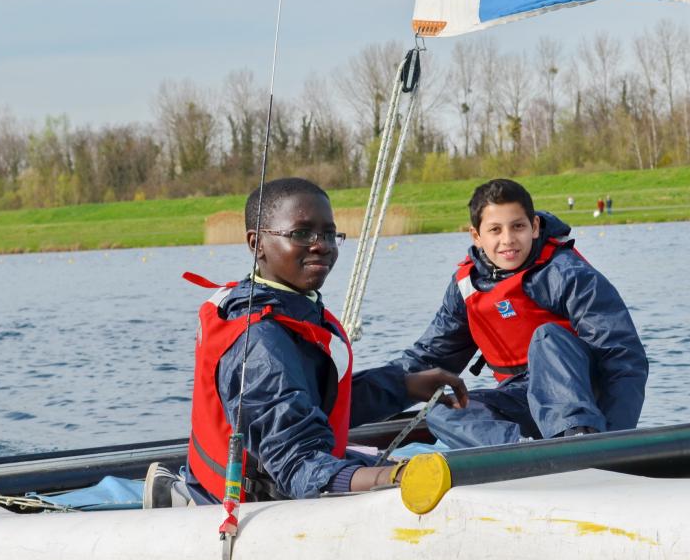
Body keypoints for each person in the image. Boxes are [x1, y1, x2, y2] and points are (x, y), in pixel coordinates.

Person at [148, 177, 466, 507]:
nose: (321, 245)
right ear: (257, 244)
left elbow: (314, 402)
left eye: (329, 234)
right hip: (254, 505)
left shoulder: (291, 307)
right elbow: (297, 462)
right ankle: (181, 500)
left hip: (284, 478)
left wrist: (404, 386)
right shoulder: (259, 343)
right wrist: (393, 477)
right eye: (301, 234)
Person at [394, 178, 648, 449]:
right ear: (477, 236)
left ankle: (577, 438)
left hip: (585, 400)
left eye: (518, 226)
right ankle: (521, 450)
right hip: (522, 400)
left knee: (547, 337)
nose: (508, 240)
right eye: (495, 230)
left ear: (534, 227)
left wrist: (613, 440)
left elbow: (622, 357)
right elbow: (426, 361)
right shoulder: (465, 288)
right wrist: (366, 397)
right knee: (441, 410)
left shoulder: (567, 274)